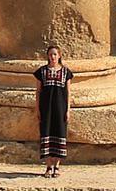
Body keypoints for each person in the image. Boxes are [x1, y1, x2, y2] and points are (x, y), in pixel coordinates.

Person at [34, 44, 72, 175]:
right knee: (46, 134)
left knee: (60, 134)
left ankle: (57, 166)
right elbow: (38, 91)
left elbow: (68, 92)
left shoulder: (66, 72)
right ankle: (48, 166)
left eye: (55, 54)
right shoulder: (42, 72)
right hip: (46, 109)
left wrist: (68, 110)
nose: (53, 57)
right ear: (48, 56)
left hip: (60, 109)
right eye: (50, 54)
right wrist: (37, 109)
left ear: (59, 55)